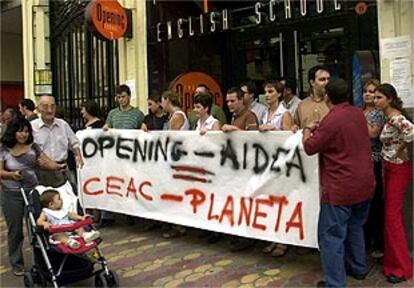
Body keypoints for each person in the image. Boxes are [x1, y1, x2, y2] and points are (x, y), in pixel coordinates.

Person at [302, 78, 375, 288]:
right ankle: (358, 268)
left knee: (331, 237)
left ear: (327, 97)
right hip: (364, 182)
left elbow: (309, 147)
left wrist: (308, 129)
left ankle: (336, 283)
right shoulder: (357, 114)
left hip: (340, 187)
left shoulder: (332, 120)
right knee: (355, 227)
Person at [0, 117, 66, 276]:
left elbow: (47, 162)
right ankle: (17, 262)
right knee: (15, 230)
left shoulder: (33, 147)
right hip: (11, 194)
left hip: (32, 192)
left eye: (26, 131)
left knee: (37, 227)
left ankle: (42, 261)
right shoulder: (3, 148)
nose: (23, 134)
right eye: (20, 131)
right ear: (12, 132)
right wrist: (11, 175)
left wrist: (59, 166)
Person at [374, 83, 414, 284]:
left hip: (397, 168)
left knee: (392, 217)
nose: (375, 100)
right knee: (390, 216)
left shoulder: (396, 117)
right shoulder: (388, 117)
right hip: (389, 166)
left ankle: (401, 267)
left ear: (389, 99)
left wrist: (401, 149)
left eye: (379, 97)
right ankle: (392, 262)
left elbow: (412, 132)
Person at [101, 85, 145, 226]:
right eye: (118, 97)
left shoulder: (137, 114)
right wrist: (106, 129)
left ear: (129, 96)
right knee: (113, 183)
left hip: (131, 157)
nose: (121, 100)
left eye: (123, 96)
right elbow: (106, 129)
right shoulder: (112, 114)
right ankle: (109, 215)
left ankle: (131, 214)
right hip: (115, 156)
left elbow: (143, 132)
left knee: (130, 184)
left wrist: (143, 129)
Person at [221, 87, 258, 252]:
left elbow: (253, 139)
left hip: (247, 168)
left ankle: (247, 237)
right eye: (227, 101)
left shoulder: (250, 116)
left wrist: (234, 130)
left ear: (241, 99)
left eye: (232, 101)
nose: (229, 104)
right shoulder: (234, 116)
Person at [259, 80, 292, 257]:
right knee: (270, 202)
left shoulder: (284, 114)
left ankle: (283, 241)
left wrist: (274, 129)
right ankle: (273, 237)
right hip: (267, 163)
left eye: (271, 91)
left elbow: (289, 138)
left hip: (281, 165)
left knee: (281, 203)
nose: (267, 95)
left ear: (279, 94)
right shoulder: (265, 113)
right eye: (266, 91)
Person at [31, 95, 83, 187]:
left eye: (52, 106)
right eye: (45, 106)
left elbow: (74, 144)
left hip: (62, 169)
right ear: (38, 108)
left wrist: (78, 157)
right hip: (41, 172)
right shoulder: (32, 127)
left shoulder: (63, 125)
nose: (49, 110)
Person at [361, 79, 386, 259]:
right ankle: (365, 240)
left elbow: (373, 133)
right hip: (361, 162)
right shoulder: (360, 111)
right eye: (366, 91)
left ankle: (378, 243)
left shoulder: (378, 113)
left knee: (377, 203)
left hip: (375, 160)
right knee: (364, 203)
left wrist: (359, 121)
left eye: (372, 92)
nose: (368, 95)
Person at [160, 90, 189, 238]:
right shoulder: (174, 115)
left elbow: (172, 137)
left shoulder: (177, 116)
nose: (161, 104)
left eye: (162, 101)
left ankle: (180, 226)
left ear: (167, 100)